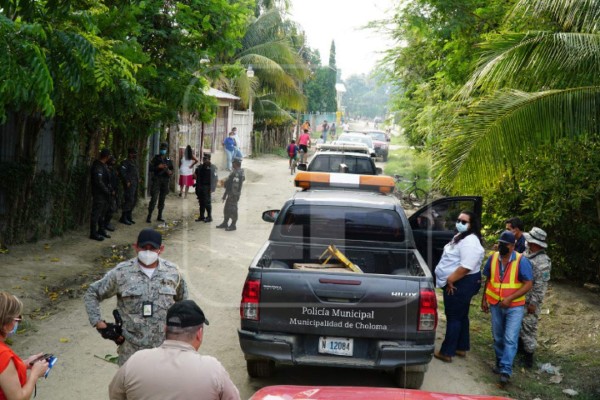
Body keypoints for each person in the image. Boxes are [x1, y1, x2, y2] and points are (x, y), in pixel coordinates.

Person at [84, 228, 188, 366]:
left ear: (161, 249)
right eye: (143, 247)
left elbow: (184, 303)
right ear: (135, 247)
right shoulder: (121, 273)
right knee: (131, 387)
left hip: (165, 350)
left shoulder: (173, 272)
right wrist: (99, 323)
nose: (147, 251)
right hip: (131, 352)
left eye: (152, 248)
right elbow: (92, 293)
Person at [108, 300, 240, 400]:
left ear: (165, 329)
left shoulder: (135, 361)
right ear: (199, 333)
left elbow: (115, 395)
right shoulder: (212, 369)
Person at [481, 230, 533, 385]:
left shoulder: (521, 261)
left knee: (510, 338)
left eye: (504, 245)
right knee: (498, 336)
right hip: (495, 304)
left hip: (514, 307)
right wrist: (484, 299)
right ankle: (499, 361)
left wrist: (510, 298)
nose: (501, 246)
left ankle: (505, 370)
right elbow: (488, 279)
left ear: (512, 246)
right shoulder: (493, 257)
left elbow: (528, 284)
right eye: (500, 243)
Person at [433, 211, 485, 363]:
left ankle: (447, 352)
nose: (459, 224)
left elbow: (466, 267)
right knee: (461, 315)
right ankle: (461, 347)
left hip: (461, 282)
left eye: (464, 222)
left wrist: (450, 280)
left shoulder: (471, 242)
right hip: (459, 281)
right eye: (458, 220)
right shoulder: (461, 237)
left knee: (454, 317)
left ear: (471, 225)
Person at [0, 292, 49, 400]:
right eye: (17, 319)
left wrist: (25, 363)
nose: (18, 323)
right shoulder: (3, 355)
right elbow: (18, 398)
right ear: (5, 323)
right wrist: (34, 374)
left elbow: (4, 372)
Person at [519, 227, 551, 368]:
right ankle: (519, 349)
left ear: (535, 243)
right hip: (519, 297)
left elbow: (540, 286)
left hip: (530, 301)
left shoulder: (543, 261)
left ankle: (528, 358)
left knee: (528, 327)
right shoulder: (526, 254)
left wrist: (533, 303)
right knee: (519, 326)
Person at [147, 142, 174, 223]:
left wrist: (169, 172)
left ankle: (160, 215)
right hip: (157, 180)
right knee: (154, 198)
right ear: (160, 149)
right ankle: (149, 215)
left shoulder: (168, 159)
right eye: (162, 149)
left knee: (162, 199)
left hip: (165, 181)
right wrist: (158, 167)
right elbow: (150, 168)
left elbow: (172, 169)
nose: (163, 150)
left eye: (165, 149)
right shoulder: (155, 158)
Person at [216, 158, 245, 231]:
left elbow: (234, 186)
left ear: (236, 163)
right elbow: (229, 184)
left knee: (233, 209)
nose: (232, 164)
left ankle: (233, 225)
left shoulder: (238, 173)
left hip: (233, 195)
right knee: (226, 209)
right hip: (230, 194)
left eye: (233, 163)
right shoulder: (235, 171)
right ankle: (225, 222)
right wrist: (225, 194)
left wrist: (232, 194)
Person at [90, 148, 112, 241]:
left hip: (104, 193)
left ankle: (101, 230)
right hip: (99, 194)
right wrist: (106, 190)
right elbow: (99, 182)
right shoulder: (97, 166)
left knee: (102, 213)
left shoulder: (104, 165)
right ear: (106, 157)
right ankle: (93, 233)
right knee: (96, 213)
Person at [193, 154, 218, 223]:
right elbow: (195, 176)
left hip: (207, 187)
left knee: (207, 202)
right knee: (201, 202)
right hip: (200, 187)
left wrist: (212, 188)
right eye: (204, 159)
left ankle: (209, 217)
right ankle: (201, 216)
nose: (204, 160)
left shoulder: (213, 168)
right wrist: (194, 176)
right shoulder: (200, 167)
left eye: (206, 159)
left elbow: (215, 179)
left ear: (209, 159)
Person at [119, 148, 139, 225]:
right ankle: (123, 217)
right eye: (133, 153)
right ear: (130, 154)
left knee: (133, 200)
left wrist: (138, 179)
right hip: (129, 184)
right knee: (129, 200)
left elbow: (136, 172)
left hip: (135, 183)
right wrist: (127, 181)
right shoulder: (125, 162)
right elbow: (122, 172)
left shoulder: (134, 162)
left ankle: (129, 216)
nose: (135, 155)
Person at [103, 155, 119, 232]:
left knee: (112, 208)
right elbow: (107, 182)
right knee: (110, 208)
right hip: (109, 191)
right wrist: (111, 190)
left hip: (113, 191)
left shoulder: (112, 169)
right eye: (112, 161)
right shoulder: (106, 169)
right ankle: (105, 224)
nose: (114, 162)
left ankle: (107, 223)